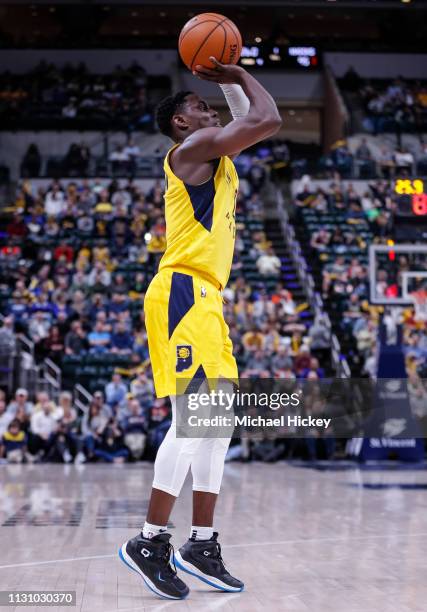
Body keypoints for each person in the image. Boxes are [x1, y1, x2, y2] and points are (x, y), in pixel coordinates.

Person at [119, 57, 281, 599]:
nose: (207, 108)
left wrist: (228, 85)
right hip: (182, 292)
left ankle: (201, 544)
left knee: (217, 427)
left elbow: (248, 122)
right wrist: (235, 75)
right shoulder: (189, 153)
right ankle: (149, 540)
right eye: (197, 105)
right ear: (181, 125)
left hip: (208, 297)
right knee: (193, 424)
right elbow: (268, 118)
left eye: (208, 103)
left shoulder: (217, 155)